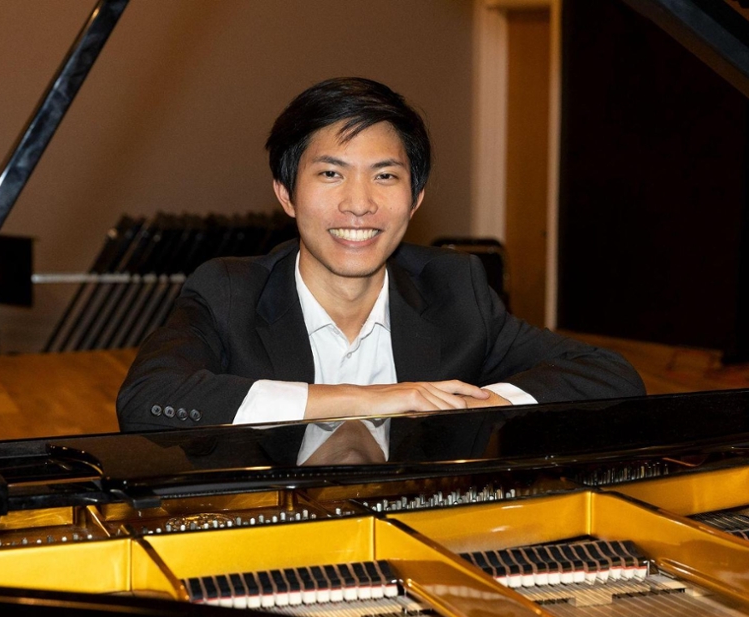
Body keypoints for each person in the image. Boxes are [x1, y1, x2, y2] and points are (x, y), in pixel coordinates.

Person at [116, 77, 645, 435]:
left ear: (415, 198)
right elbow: (149, 401)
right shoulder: (229, 291)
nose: (360, 204)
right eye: (330, 173)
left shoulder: (454, 287)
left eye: (385, 176)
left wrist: (464, 407)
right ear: (285, 193)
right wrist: (372, 400)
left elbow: (607, 376)